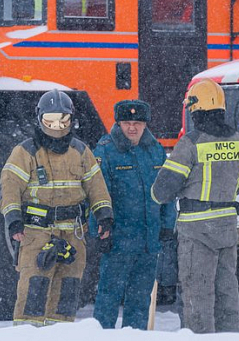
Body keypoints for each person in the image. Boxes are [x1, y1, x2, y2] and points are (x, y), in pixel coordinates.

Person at [0, 89, 114, 326]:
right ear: (39, 119)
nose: (57, 127)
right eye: (50, 120)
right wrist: (13, 219)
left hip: (74, 233)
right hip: (36, 233)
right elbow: (9, 187)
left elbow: (96, 185)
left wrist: (104, 215)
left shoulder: (81, 151)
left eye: (63, 120)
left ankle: (60, 332)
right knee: (34, 290)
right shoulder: (25, 152)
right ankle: (27, 333)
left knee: (67, 293)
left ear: (72, 120)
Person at [151, 78, 239, 334]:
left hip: (196, 229)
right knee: (228, 294)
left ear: (194, 109)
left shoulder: (191, 143)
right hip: (227, 225)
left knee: (197, 296)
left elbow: (161, 191)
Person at [91, 100, 177, 330]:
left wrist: (168, 226)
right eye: (127, 123)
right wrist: (100, 231)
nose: (132, 128)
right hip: (118, 242)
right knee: (108, 299)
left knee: (140, 301)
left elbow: (166, 192)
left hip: (149, 242)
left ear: (145, 124)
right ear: (118, 123)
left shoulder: (156, 150)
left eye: (137, 123)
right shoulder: (105, 151)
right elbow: (96, 194)